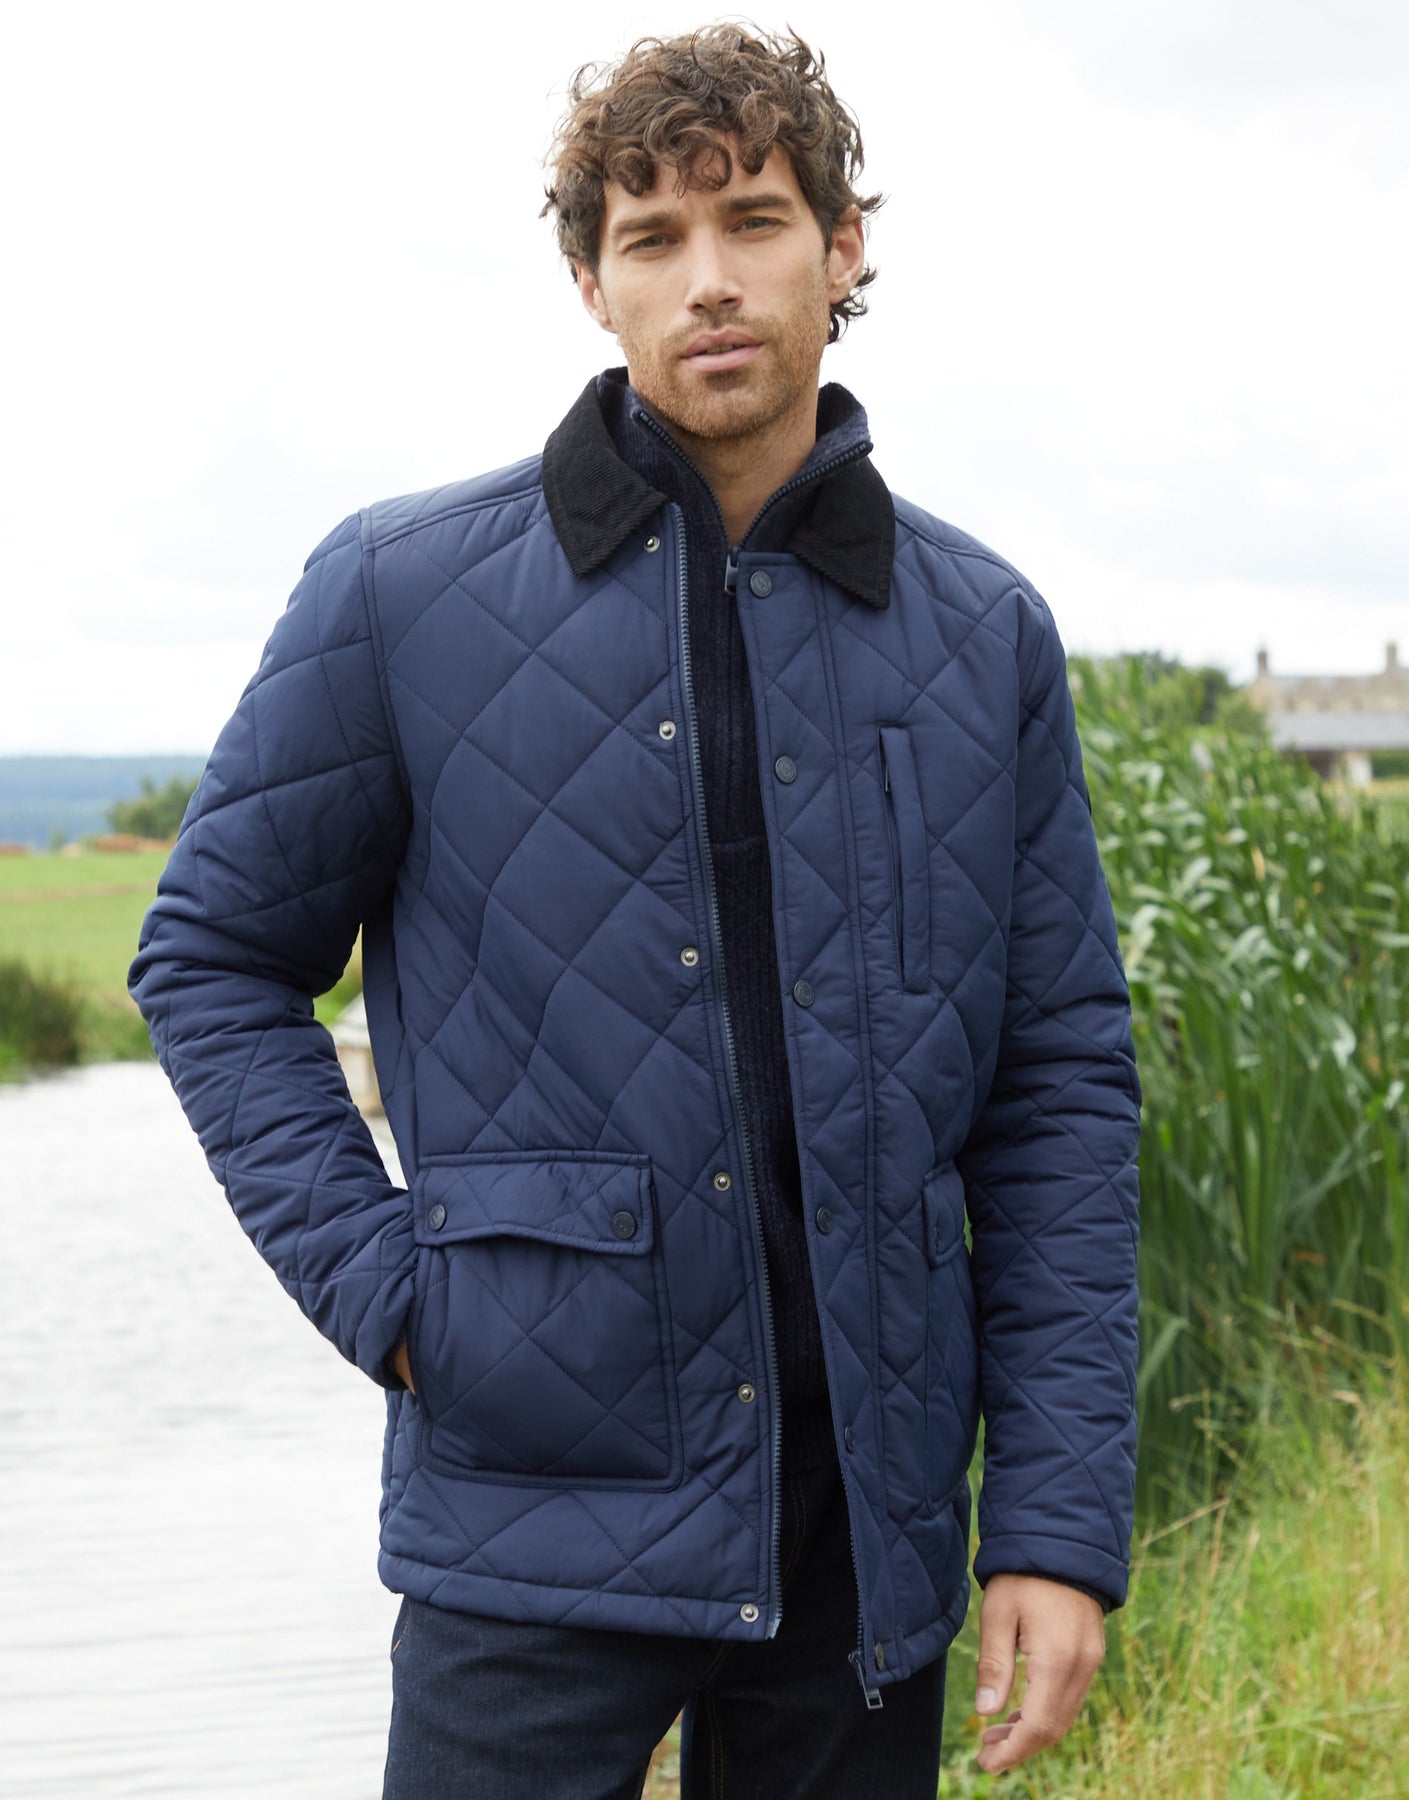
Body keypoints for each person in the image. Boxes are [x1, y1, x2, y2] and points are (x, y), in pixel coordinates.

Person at [129, 23, 1141, 1798]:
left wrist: (1052, 1525)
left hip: (868, 1529)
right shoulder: (399, 595)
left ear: (841, 248)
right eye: (651, 238)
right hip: (528, 1510)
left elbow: (1055, 1087)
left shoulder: (980, 634)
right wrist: (395, 1297)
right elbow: (210, 959)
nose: (707, 281)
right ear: (591, 285)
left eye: (753, 221)